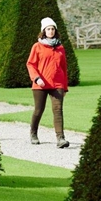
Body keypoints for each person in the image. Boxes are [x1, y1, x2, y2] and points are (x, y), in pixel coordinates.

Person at [26, 17, 70, 148]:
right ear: (43, 31)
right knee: (39, 110)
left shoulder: (60, 48)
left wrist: (65, 87)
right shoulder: (37, 46)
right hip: (40, 84)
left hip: (57, 84)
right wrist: (37, 78)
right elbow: (30, 64)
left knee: (58, 110)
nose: (50, 31)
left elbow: (64, 68)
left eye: (52, 29)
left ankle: (60, 139)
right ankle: (33, 133)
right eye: (48, 29)